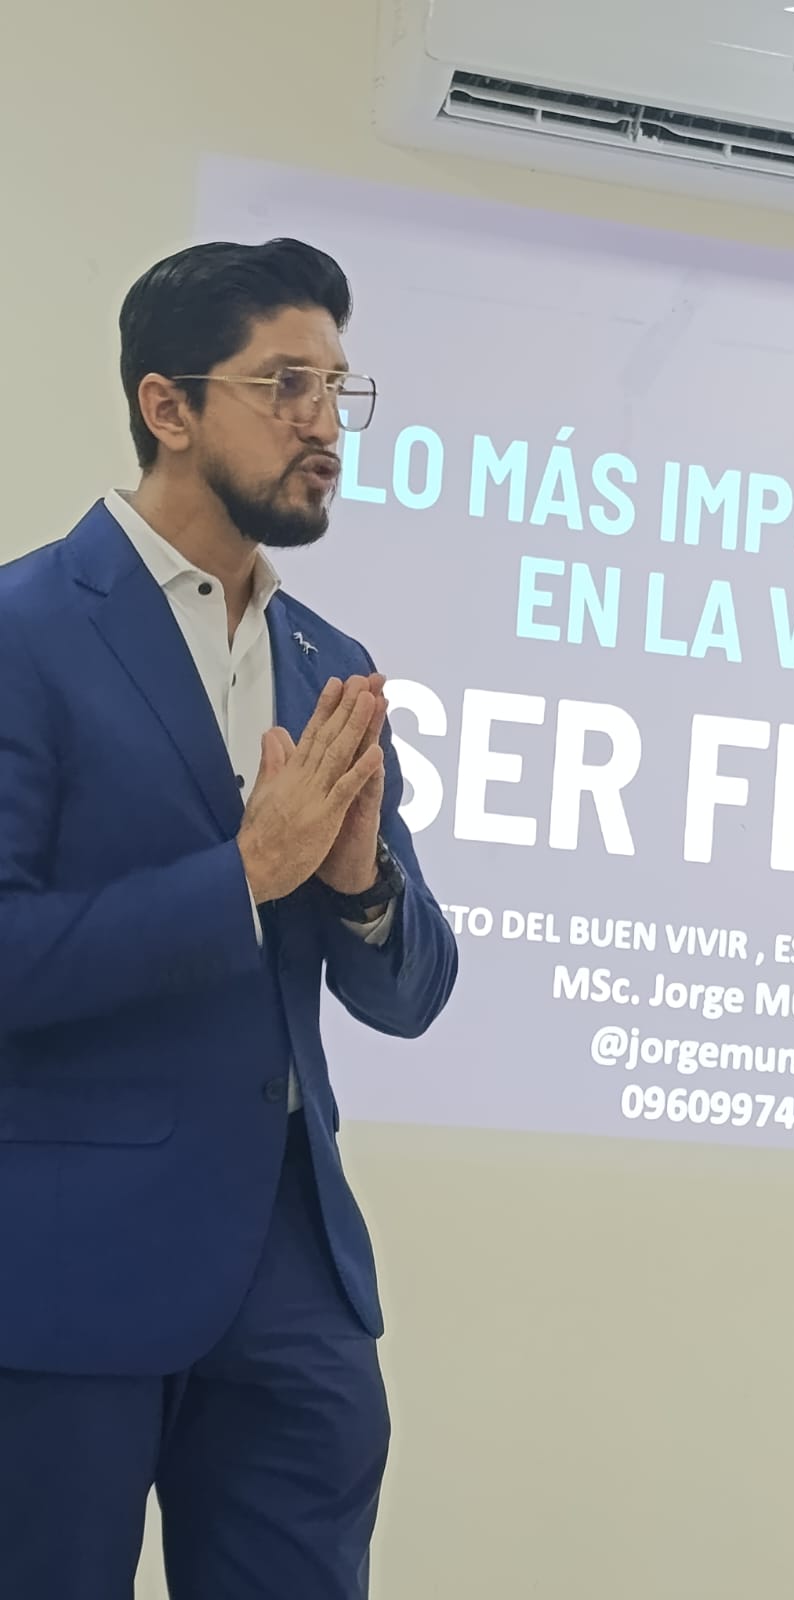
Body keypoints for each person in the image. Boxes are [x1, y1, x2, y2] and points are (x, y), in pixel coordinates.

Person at [0, 238, 459, 1599]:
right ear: (170, 406)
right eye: (286, 385)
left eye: (338, 389)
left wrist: (358, 882)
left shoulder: (330, 665)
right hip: (66, 1271)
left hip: (296, 1278)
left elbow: (409, 993)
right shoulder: (23, 633)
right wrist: (243, 875)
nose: (325, 425)